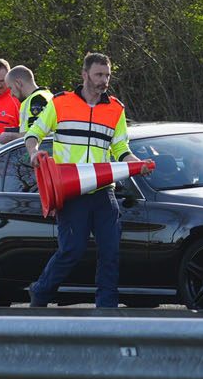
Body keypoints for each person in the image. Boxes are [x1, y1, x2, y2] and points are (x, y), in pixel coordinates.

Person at [22, 52, 132, 308]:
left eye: (107, 75)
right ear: (84, 75)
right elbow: (33, 133)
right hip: (70, 190)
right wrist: (33, 152)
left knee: (110, 252)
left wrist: (136, 164)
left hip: (104, 191)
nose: (104, 80)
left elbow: (121, 148)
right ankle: (40, 292)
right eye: (99, 75)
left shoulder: (116, 109)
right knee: (72, 249)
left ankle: (107, 308)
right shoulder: (61, 103)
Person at [7, 65, 52, 137]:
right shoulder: (45, 95)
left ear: (18, 83)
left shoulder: (37, 100)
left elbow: (37, 134)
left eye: (10, 88)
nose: (11, 94)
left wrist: (11, 136)